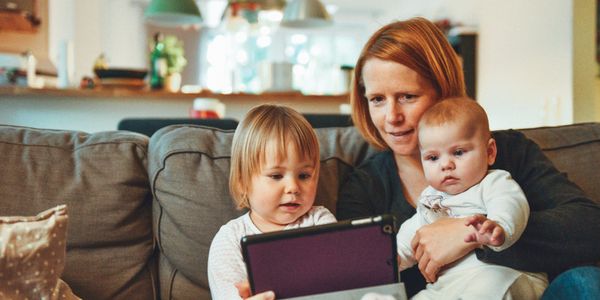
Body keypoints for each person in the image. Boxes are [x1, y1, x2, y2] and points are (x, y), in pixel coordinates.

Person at [336, 17, 600, 298]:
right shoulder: (364, 186)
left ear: (443, 91)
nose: (392, 117)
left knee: (585, 282)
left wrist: (470, 235)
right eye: (377, 99)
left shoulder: (508, 152)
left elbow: (589, 227)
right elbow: (358, 275)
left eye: (407, 96)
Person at [396, 96, 547, 299]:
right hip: (448, 286)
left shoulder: (493, 183)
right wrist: (393, 257)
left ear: (490, 152)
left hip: (503, 274)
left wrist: (498, 227)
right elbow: (413, 235)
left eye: (458, 152)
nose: (445, 165)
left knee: (487, 288)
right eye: (433, 157)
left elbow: (511, 205)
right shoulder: (430, 199)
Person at [207, 104, 336, 300]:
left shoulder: (319, 221)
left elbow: (339, 281)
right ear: (243, 182)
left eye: (304, 175)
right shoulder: (230, 239)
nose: (293, 187)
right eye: (276, 176)